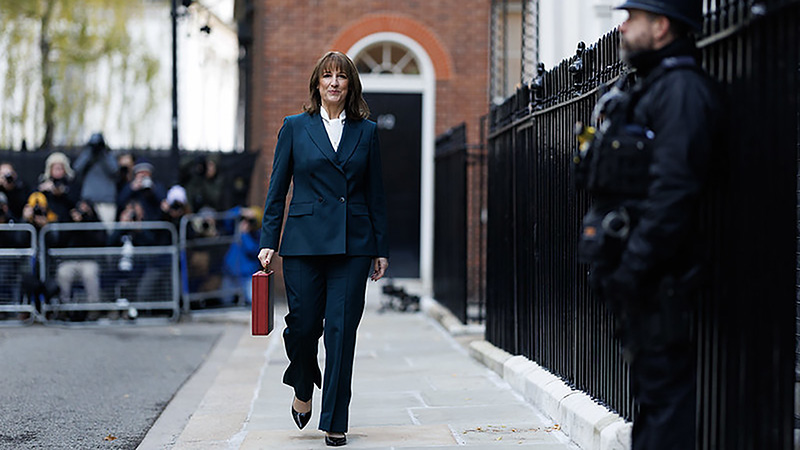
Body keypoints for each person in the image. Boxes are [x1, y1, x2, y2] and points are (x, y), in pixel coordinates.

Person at [573, 2, 722, 449]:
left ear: (661, 27)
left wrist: (632, 269)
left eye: (633, 18)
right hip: (639, 282)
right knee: (650, 396)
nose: (622, 27)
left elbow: (673, 192)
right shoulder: (643, 88)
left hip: (660, 280)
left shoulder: (682, 90)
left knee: (665, 402)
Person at [257, 51, 389, 447]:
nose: (334, 83)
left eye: (341, 77)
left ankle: (334, 420)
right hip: (303, 244)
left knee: (341, 332)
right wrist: (268, 240)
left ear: (350, 86)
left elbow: (376, 194)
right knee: (303, 328)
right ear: (317, 83)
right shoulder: (295, 127)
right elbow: (277, 189)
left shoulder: (367, 131)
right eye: (327, 76)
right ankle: (302, 383)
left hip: (353, 244)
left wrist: (380, 247)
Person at [72, 132, 119, 224]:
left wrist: (103, 152)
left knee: (107, 230)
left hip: (106, 202)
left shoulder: (108, 156)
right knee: (88, 230)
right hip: (88, 202)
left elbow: (114, 170)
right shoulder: (87, 155)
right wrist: (89, 151)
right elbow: (76, 169)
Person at [37, 152, 76, 222]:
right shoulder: (44, 183)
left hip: (66, 220)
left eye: (60, 168)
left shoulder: (71, 183)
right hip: (49, 221)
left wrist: (64, 191)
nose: (57, 171)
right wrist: (42, 190)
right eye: (55, 168)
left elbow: (75, 201)